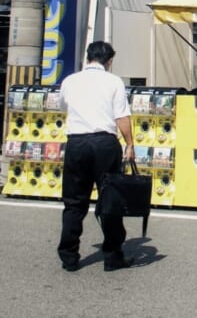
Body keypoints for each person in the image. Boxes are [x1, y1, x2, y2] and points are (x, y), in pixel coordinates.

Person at [57, 41, 135, 272]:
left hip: (77, 142)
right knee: (110, 200)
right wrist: (130, 144)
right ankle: (112, 255)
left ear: (88, 57)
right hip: (104, 143)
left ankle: (69, 256)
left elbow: (64, 107)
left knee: (73, 202)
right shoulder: (113, 81)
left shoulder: (70, 81)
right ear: (109, 61)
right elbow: (121, 116)